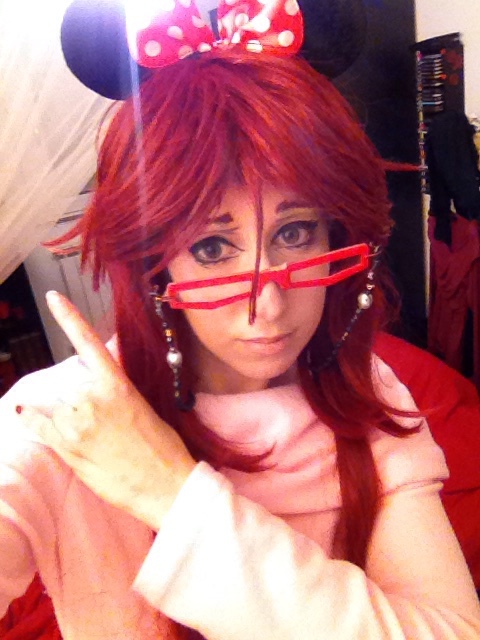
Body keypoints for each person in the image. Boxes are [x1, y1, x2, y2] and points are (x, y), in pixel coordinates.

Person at [1, 1, 480, 638]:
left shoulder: (372, 393)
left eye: (296, 232)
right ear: (153, 264)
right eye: (210, 247)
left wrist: (170, 494)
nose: (269, 305)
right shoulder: (63, 421)